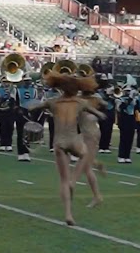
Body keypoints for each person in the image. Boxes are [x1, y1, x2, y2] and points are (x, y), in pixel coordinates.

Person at [24, 72, 106, 226]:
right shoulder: (80, 102)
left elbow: (34, 107)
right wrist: (99, 114)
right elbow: (98, 113)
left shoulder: (53, 102)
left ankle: (68, 213)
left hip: (59, 142)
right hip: (74, 140)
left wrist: (30, 107)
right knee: (84, 154)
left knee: (63, 180)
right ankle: (74, 180)